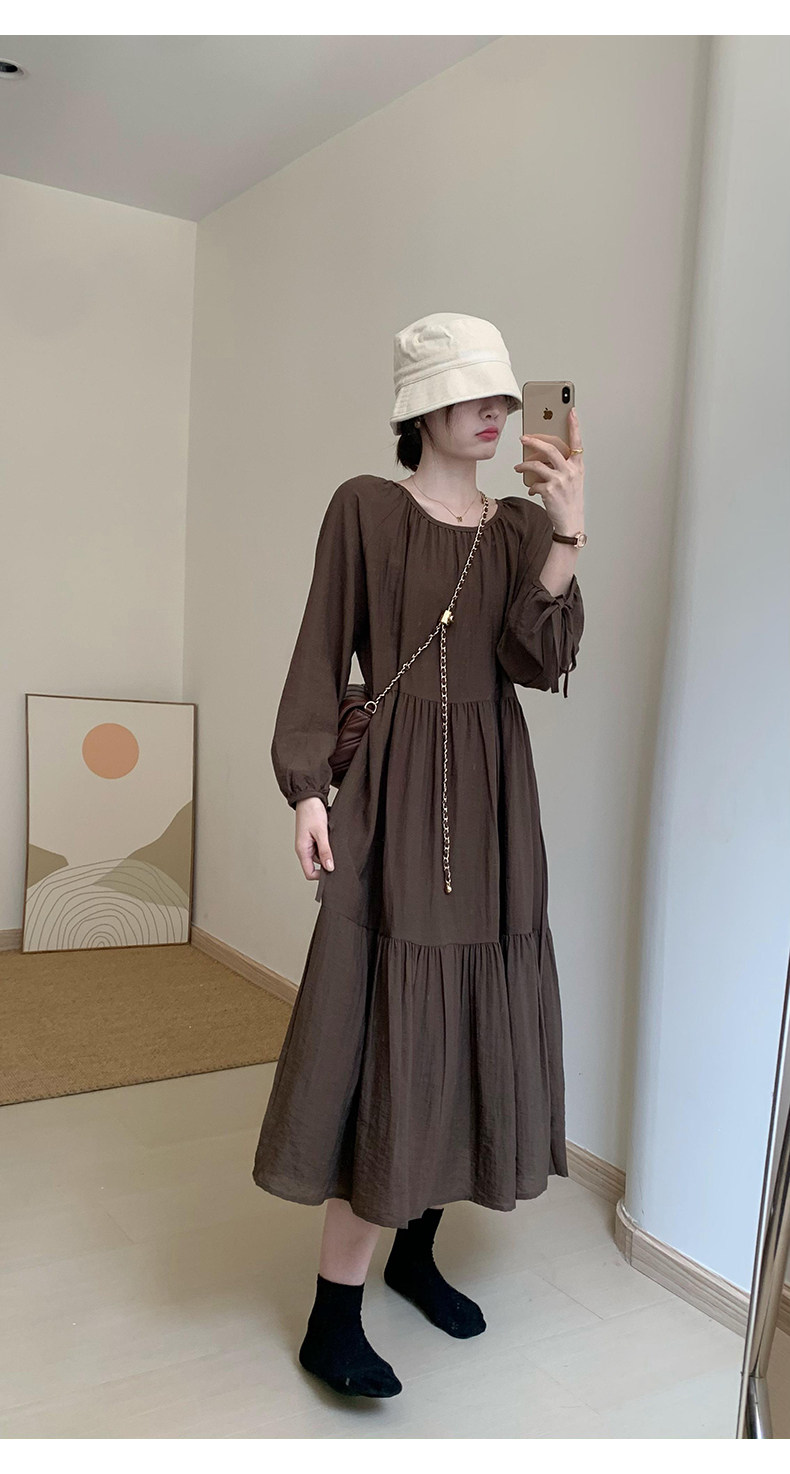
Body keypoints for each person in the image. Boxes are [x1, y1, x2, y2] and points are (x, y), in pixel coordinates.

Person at [252, 312, 587, 1399]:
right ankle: (333, 1315)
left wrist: (568, 534)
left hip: (494, 806)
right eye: (473, 395)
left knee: (467, 1027)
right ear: (422, 408)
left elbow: (537, 657)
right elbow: (319, 649)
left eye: (504, 398)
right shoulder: (365, 508)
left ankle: (414, 1252)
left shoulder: (521, 526)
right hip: (393, 795)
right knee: (388, 1034)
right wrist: (309, 787)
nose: (495, 412)